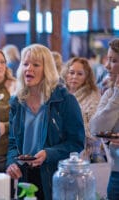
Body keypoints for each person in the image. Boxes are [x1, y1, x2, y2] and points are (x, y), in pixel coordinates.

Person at [6, 44, 85, 199]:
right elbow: (12, 143)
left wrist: (48, 154)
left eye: (36, 65)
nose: (29, 68)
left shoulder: (65, 100)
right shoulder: (17, 102)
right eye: (25, 64)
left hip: (53, 175)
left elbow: (76, 143)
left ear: (47, 69)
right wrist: (12, 162)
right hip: (25, 176)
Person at [89, 38, 119, 200]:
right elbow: (95, 128)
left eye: (114, 61)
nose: (107, 66)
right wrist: (117, 95)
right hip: (116, 174)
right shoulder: (109, 93)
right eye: (108, 59)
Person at [62, 57, 102, 162]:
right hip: (61, 152)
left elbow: (95, 132)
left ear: (86, 77)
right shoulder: (60, 94)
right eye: (71, 72)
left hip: (86, 155)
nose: (74, 77)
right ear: (66, 74)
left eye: (79, 74)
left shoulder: (93, 97)